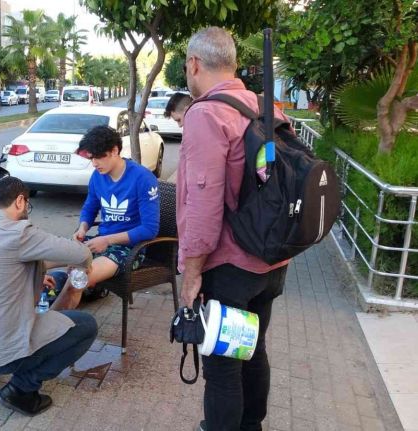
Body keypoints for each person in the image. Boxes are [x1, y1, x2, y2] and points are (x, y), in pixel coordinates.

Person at [175, 27, 290, 431]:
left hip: (229, 267)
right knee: (253, 349)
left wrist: (191, 274)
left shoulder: (206, 114)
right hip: (272, 258)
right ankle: (251, 425)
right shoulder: (265, 106)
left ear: (193, 64)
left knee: (223, 367)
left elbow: (203, 205)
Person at [0, 176, 96, 417]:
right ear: (19, 201)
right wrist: (83, 262)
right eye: (27, 203)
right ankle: (22, 389)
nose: (27, 209)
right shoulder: (19, 232)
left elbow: (2, 266)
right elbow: (81, 254)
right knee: (85, 325)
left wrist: (39, 270)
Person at [69, 125, 160, 292]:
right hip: (100, 241)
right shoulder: (98, 176)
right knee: (42, 262)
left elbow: (149, 229)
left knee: (77, 281)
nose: (94, 164)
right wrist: (82, 228)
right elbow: (89, 208)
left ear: (115, 151)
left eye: (99, 157)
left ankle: (68, 303)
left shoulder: (143, 178)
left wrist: (107, 240)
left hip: (130, 249)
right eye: (91, 158)